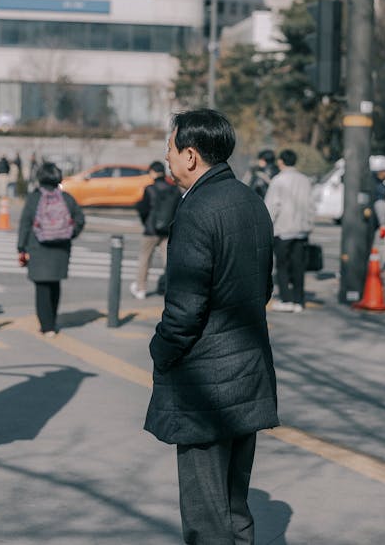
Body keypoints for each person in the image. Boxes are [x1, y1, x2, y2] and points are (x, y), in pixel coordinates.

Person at [144, 109, 278, 545]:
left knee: (206, 514)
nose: (166, 157)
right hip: (248, 372)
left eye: (169, 149)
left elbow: (184, 310)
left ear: (190, 155)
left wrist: (160, 352)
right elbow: (263, 288)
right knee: (234, 506)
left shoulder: (197, 210)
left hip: (205, 384)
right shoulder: (250, 202)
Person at [17, 161, 85, 336]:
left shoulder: (34, 198)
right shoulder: (67, 198)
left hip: (38, 247)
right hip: (61, 249)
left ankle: (47, 326)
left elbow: (25, 223)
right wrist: (69, 233)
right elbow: (80, 219)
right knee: (55, 285)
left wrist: (21, 247)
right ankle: (52, 321)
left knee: (42, 288)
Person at [265, 149, 314, 313]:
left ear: (281, 162)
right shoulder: (305, 180)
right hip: (301, 230)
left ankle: (287, 300)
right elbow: (311, 205)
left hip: (283, 229)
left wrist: (266, 226)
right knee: (299, 266)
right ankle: (299, 301)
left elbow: (272, 206)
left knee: (283, 266)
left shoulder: (278, 180)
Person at [129, 160, 181, 300]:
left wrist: (146, 222)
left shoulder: (149, 189)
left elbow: (142, 209)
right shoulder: (174, 189)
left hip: (151, 231)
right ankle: (171, 289)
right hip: (167, 232)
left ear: (153, 172)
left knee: (144, 259)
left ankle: (141, 289)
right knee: (168, 262)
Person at [368, 154, 385, 249]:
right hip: (372, 221)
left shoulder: (369, 183)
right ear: (378, 171)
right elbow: (379, 204)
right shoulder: (379, 187)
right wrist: (383, 224)